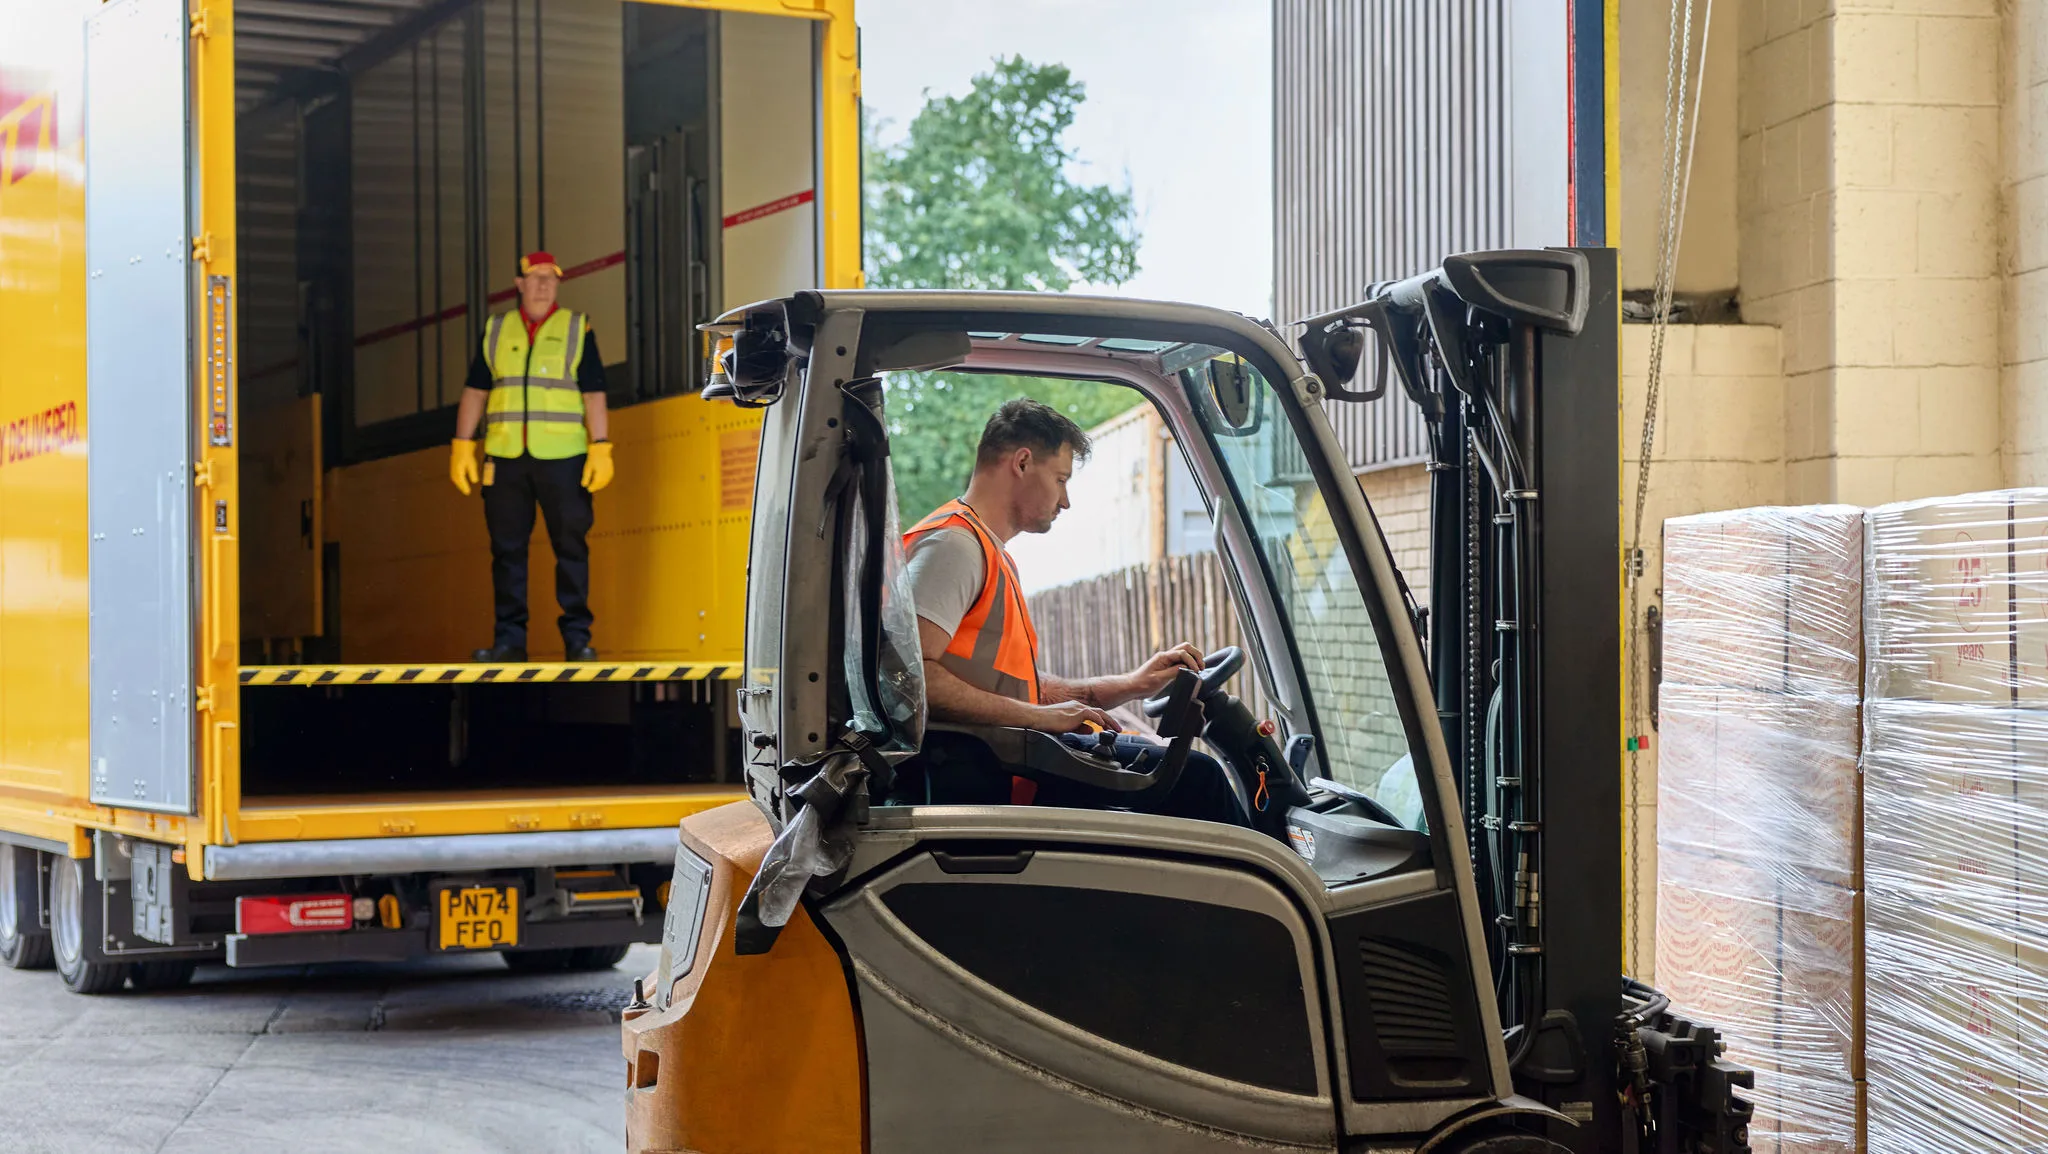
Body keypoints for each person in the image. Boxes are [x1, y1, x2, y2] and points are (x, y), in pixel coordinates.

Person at [902, 398, 1248, 826]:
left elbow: (1016, 687)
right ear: (1023, 462)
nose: (1065, 501)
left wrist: (1132, 684)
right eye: (1061, 479)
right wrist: (1040, 718)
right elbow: (909, 680)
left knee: (1184, 773)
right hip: (990, 776)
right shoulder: (953, 547)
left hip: (1007, 759)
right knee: (1200, 778)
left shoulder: (986, 550)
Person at [448, 252, 614, 662]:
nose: (543, 284)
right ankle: (509, 641)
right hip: (505, 457)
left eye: (550, 278)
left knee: (571, 547)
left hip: (564, 456)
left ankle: (578, 639)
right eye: (534, 277)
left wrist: (601, 445)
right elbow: (476, 390)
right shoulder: (497, 330)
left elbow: (593, 391)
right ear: (518, 284)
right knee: (507, 550)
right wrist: (462, 443)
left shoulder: (576, 328)